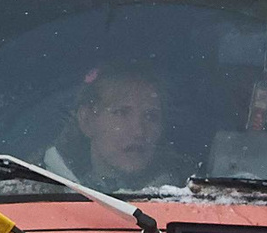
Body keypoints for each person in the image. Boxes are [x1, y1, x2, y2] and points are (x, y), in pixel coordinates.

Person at [41, 63, 181, 192]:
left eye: (151, 116)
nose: (139, 131)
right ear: (87, 120)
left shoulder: (188, 194)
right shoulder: (39, 186)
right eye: (121, 113)